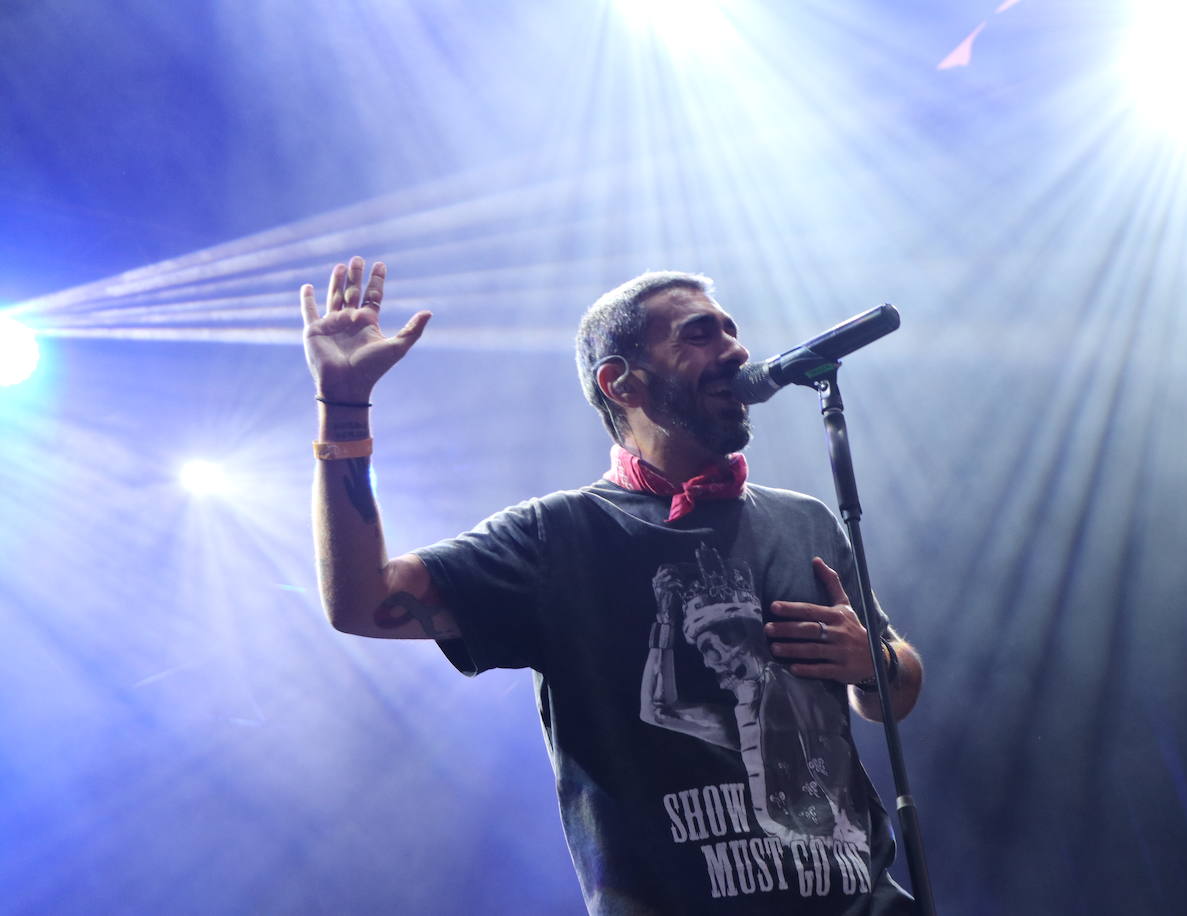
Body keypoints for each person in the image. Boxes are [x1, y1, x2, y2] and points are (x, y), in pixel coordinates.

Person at [301, 257, 924, 914]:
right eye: (698, 333)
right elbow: (365, 603)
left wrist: (874, 661)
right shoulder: (556, 536)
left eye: (731, 330)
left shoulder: (804, 520)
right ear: (620, 382)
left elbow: (893, 695)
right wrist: (343, 407)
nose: (735, 349)